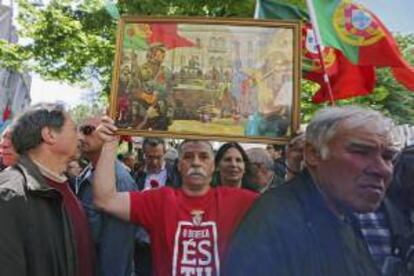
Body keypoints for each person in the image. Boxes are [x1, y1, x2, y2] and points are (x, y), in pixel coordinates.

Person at [225, 105, 398, 276]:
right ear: (313, 154)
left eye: (388, 156)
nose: (381, 169)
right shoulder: (275, 220)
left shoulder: (343, 214)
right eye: (361, 152)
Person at [93, 116, 258, 276]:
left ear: (213, 165)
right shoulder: (160, 200)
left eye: (203, 157)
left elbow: (280, 208)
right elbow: (105, 200)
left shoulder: (235, 200)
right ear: (178, 165)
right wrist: (109, 145)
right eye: (188, 157)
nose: (195, 162)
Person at [0, 103, 94, 276]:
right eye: (74, 129)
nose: (80, 137)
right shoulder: (8, 196)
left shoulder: (63, 185)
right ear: (49, 134)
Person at [77, 116, 138, 276]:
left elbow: (116, 250)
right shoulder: (87, 173)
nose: (80, 137)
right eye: (79, 130)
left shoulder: (119, 181)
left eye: (88, 130)